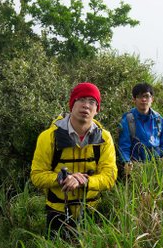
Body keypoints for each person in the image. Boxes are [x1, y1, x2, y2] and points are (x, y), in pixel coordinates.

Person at [31, 82, 117, 239]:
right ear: (72, 105)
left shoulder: (104, 138)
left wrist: (83, 181)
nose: (86, 106)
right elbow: (37, 176)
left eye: (92, 102)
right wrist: (62, 179)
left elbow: (110, 176)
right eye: (81, 99)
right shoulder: (49, 137)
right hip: (57, 211)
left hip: (91, 211)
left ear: (97, 110)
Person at [118, 83, 163, 174]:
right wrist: (126, 162)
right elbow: (124, 146)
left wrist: (161, 158)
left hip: (157, 167)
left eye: (147, 96)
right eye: (139, 96)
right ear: (134, 99)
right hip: (136, 167)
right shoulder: (128, 120)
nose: (144, 99)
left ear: (152, 99)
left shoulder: (159, 120)